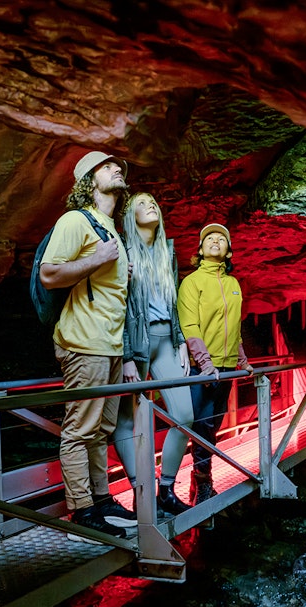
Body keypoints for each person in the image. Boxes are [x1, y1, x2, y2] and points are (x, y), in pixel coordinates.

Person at [39, 150, 137, 541]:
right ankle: (82, 511)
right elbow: (49, 274)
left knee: (101, 429)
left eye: (118, 166)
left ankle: (102, 500)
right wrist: (96, 259)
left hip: (110, 346)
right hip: (84, 342)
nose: (117, 169)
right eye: (106, 166)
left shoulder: (111, 229)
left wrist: (113, 264)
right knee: (80, 430)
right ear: (87, 180)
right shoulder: (76, 221)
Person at [113, 192, 196, 517]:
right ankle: (140, 492)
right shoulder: (122, 249)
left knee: (184, 417)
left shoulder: (167, 251)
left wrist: (180, 343)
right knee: (125, 421)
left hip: (165, 340)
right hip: (137, 340)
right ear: (130, 216)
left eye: (154, 202)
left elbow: (173, 306)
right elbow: (117, 306)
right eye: (142, 203)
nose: (151, 206)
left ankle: (165, 490)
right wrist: (126, 356)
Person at [176, 223, 253, 504]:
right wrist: (204, 362)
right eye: (209, 238)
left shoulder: (233, 285)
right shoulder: (192, 282)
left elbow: (234, 327)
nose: (216, 241)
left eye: (222, 238)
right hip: (202, 369)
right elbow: (190, 324)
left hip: (227, 368)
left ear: (229, 250)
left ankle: (201, 482)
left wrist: (242, 359)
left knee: (213, 426)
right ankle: (201, 483)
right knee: (202, 427)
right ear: (200, 249)